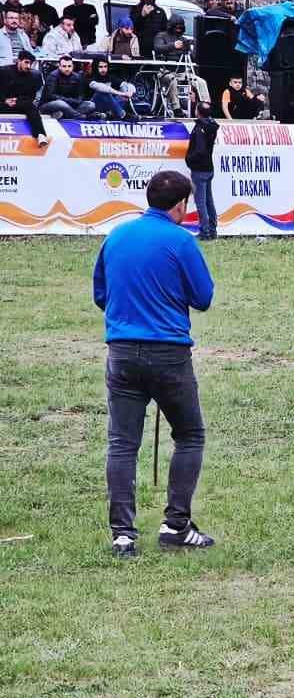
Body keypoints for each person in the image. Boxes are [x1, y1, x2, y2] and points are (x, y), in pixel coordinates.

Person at [93, 170, 218, 557]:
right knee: (190, 435)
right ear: (181, 205)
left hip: (122, 352)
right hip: (168, 354)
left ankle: (123, 534)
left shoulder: (116, 236)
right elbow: (203, 296)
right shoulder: (180, 241)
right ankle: (176, 525)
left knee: (122, 443)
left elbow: (101, 294)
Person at [186, 104, 219, 240]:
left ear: (198, 112)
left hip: (199, 169)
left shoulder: (200, 128)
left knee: (201, 202)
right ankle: (212, 229)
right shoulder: (211, 126)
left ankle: (205, 232)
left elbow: (200, 149)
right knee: (209, 201)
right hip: (208, 168)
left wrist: (189, 159)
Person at [0, 52, 47, 145]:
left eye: (30, 64)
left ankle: (41, 135)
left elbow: (30, 96)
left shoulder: (31, 76)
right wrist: (4, 100)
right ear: (18, 61)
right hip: (2, 103)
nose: (28, 66)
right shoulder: (3, 71)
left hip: (18, 104)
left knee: (31, 106)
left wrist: (16, 100)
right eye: (26, 62)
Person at [40, 54, 96, 119]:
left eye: (69, 66)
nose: (67, 69)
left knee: (91, 105)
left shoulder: (77, 77)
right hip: (50, 104)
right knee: (61, 104)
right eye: (64, 66)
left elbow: (81, 95)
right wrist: (70, 101)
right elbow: (51, 96)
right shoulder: (53, 76)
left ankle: (65, 115)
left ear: (73, 66)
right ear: (59, 67)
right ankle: (82, 117)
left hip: (71, 104)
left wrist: (75, 101)